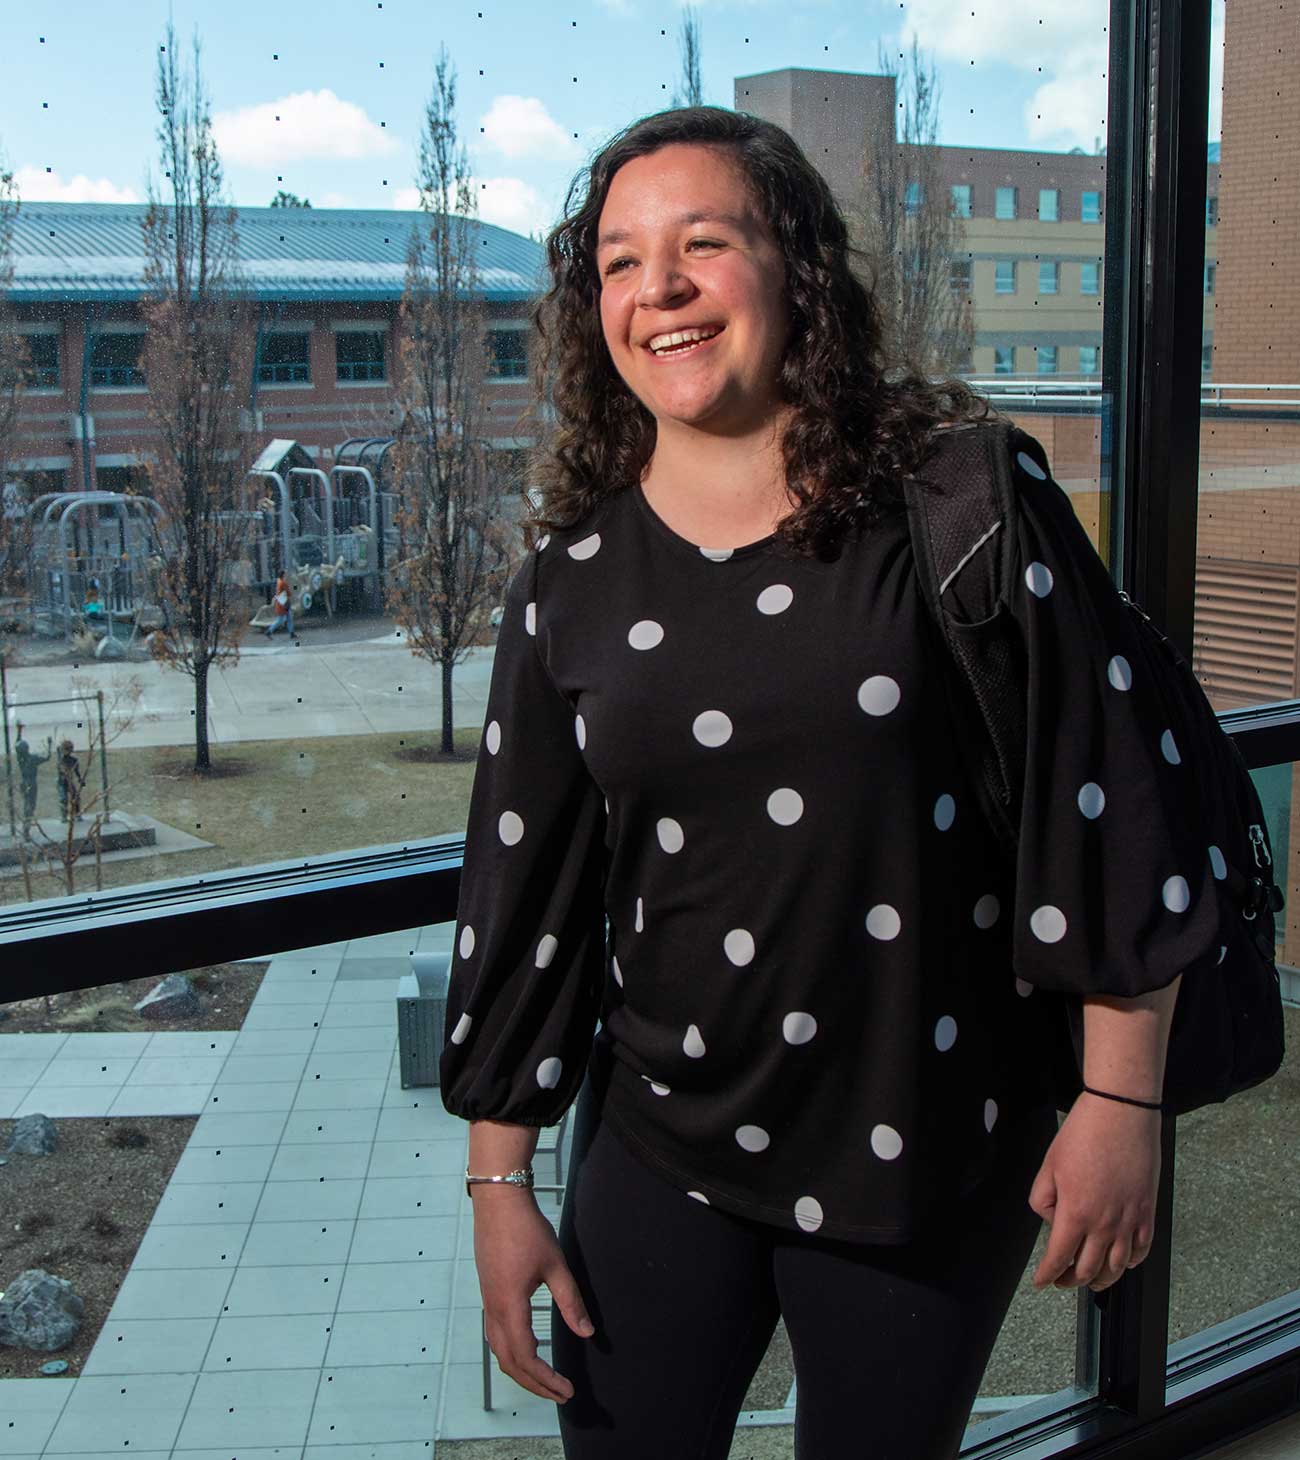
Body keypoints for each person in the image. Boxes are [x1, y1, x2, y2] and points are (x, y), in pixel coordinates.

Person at [440, 107, 1205, 1459]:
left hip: (923, 1145)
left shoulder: (960, 509)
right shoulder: (567, 589)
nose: (657, 289)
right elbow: (526, 908)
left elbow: (1110, 806)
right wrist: (501, 1180)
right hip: (662, 1146)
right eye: (618, 262)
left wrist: (1120, 1103)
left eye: (702, 245)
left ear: (794, 270)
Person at [13, 722, 52, 834]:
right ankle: (26, 830)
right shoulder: (33, 759)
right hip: (32, 784)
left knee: (27, 804)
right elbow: (47, 757)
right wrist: (49, 744)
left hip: (24, 783)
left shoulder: (21, 759)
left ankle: (26, 827)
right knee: (30, 807)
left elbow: (17, 744)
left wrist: (19, 732)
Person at [56, 738, 85, 821]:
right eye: (66, 749)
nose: (67, 751)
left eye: (69, 749)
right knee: (63, 799)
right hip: (61, 782)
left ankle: (77, 814)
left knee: (75, 797)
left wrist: (80, 780)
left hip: (69, 782)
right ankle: (64, 816)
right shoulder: (61, 760)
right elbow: (60, 767)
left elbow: (77, 772)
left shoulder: (74, 760)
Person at [264, 570, 294, 638]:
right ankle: (269, 631)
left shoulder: (278, 581)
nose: (286, 576)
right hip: (284, 604)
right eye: (285, 574)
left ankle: (291, 632)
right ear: (283, 575)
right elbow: (289, 593)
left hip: (281, 603)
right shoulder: (283, 583)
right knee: (280, 620)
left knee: (288, 618)